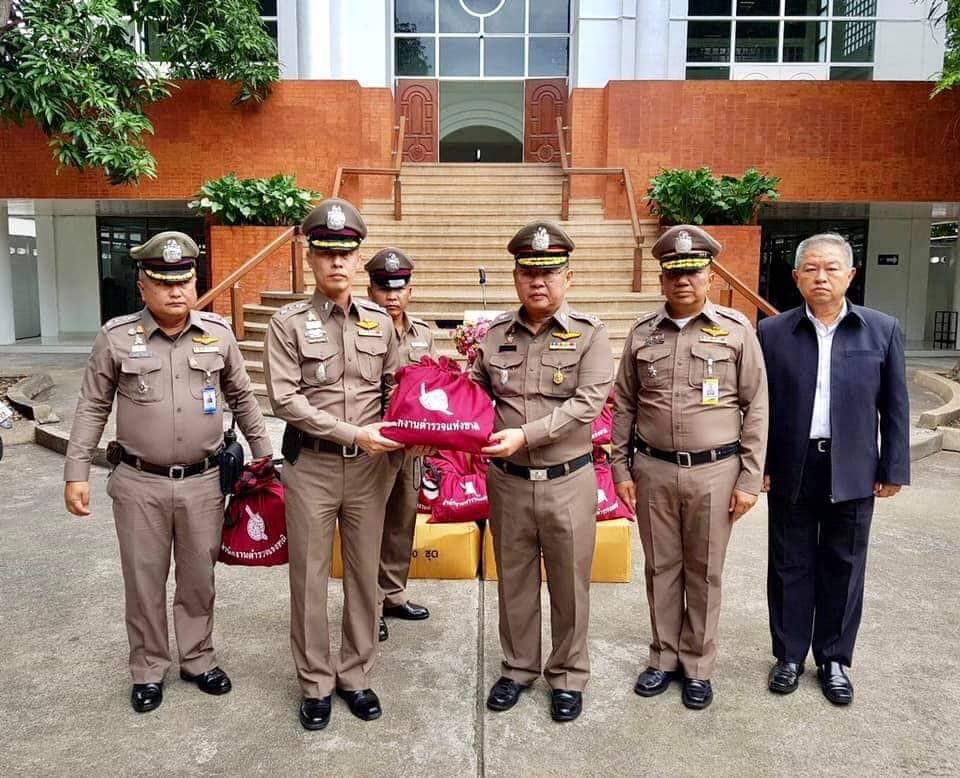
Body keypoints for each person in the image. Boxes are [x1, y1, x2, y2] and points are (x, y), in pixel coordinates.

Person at [63, 232, 272, 713]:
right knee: (144, 580)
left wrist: (264, 458)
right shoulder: (116, 337)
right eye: (163, 282)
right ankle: (148, 668)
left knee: (199, 577)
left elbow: (243, 398)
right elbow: (92, 405)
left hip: (204, 483)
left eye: (185, 281)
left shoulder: (218, 334)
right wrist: (76, 471)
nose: (176, 291)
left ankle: (197, 658)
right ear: (143, 286)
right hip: (140, 483)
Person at [612, 224, 768, 710]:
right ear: (662, 280)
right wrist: (620, 470)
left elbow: (757, 406)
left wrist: (749, 477)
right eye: (674, 273)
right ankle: (663, 657)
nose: (683, 281)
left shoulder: (736, 330)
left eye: (693, 272)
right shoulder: (642, 332)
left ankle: (697, 665)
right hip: (653, 470)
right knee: (661, 567)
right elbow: (624, 405)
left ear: (709, 276)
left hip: (716, 472)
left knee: (705, 570)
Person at [264, 198, 405, 731]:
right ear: (311, 257)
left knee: (365, 576)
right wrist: (354, 433)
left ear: (358, 258)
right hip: (313, 468)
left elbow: (395, 388)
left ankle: (356, 674)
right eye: (326, 252)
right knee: (309, 577)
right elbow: (285, 399)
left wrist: (407, 432)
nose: (337, 262)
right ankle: (315, 682)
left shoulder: (380, 322)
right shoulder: (288, 324)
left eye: (346, 253)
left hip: (371, 471)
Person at [470, 220, 613, 723]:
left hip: (567, 480)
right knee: (513, 580)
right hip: (508, 482)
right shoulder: (493, 336)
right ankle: (517, 668)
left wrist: (525, 436)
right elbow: (475, 395)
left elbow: (588, 403)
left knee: (570, 584)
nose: (538, 281)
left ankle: (568, 675)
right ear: (515, 277)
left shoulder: (591, 335)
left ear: (568, 277)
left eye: (549, 272)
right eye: (529, 272)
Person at [758, 232, 909, 705]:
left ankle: (834, 659)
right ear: (796, 276)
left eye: (831, 268)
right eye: (811, 268)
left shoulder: (881, 329)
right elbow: (759, 407)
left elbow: (895, 405)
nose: (821, 277)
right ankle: (788, 655)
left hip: (854, 467)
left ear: (850, 275)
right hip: (792, 464)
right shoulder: (772, 333)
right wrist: (759, 464)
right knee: (789, 562)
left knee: (845, 564)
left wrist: (893, 467)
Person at [364, 247, 434, 642]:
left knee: (402, 521)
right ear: (370, 291)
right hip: (372, 444)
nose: (391, 296)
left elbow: (433, 384)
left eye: (398, 288)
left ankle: (392, 593)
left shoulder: (422, 333)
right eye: (383, 288)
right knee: (369, 526)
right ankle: (369, 605)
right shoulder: (359, 329)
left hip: (410, 448)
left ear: (410, 290)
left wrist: (431, 436)